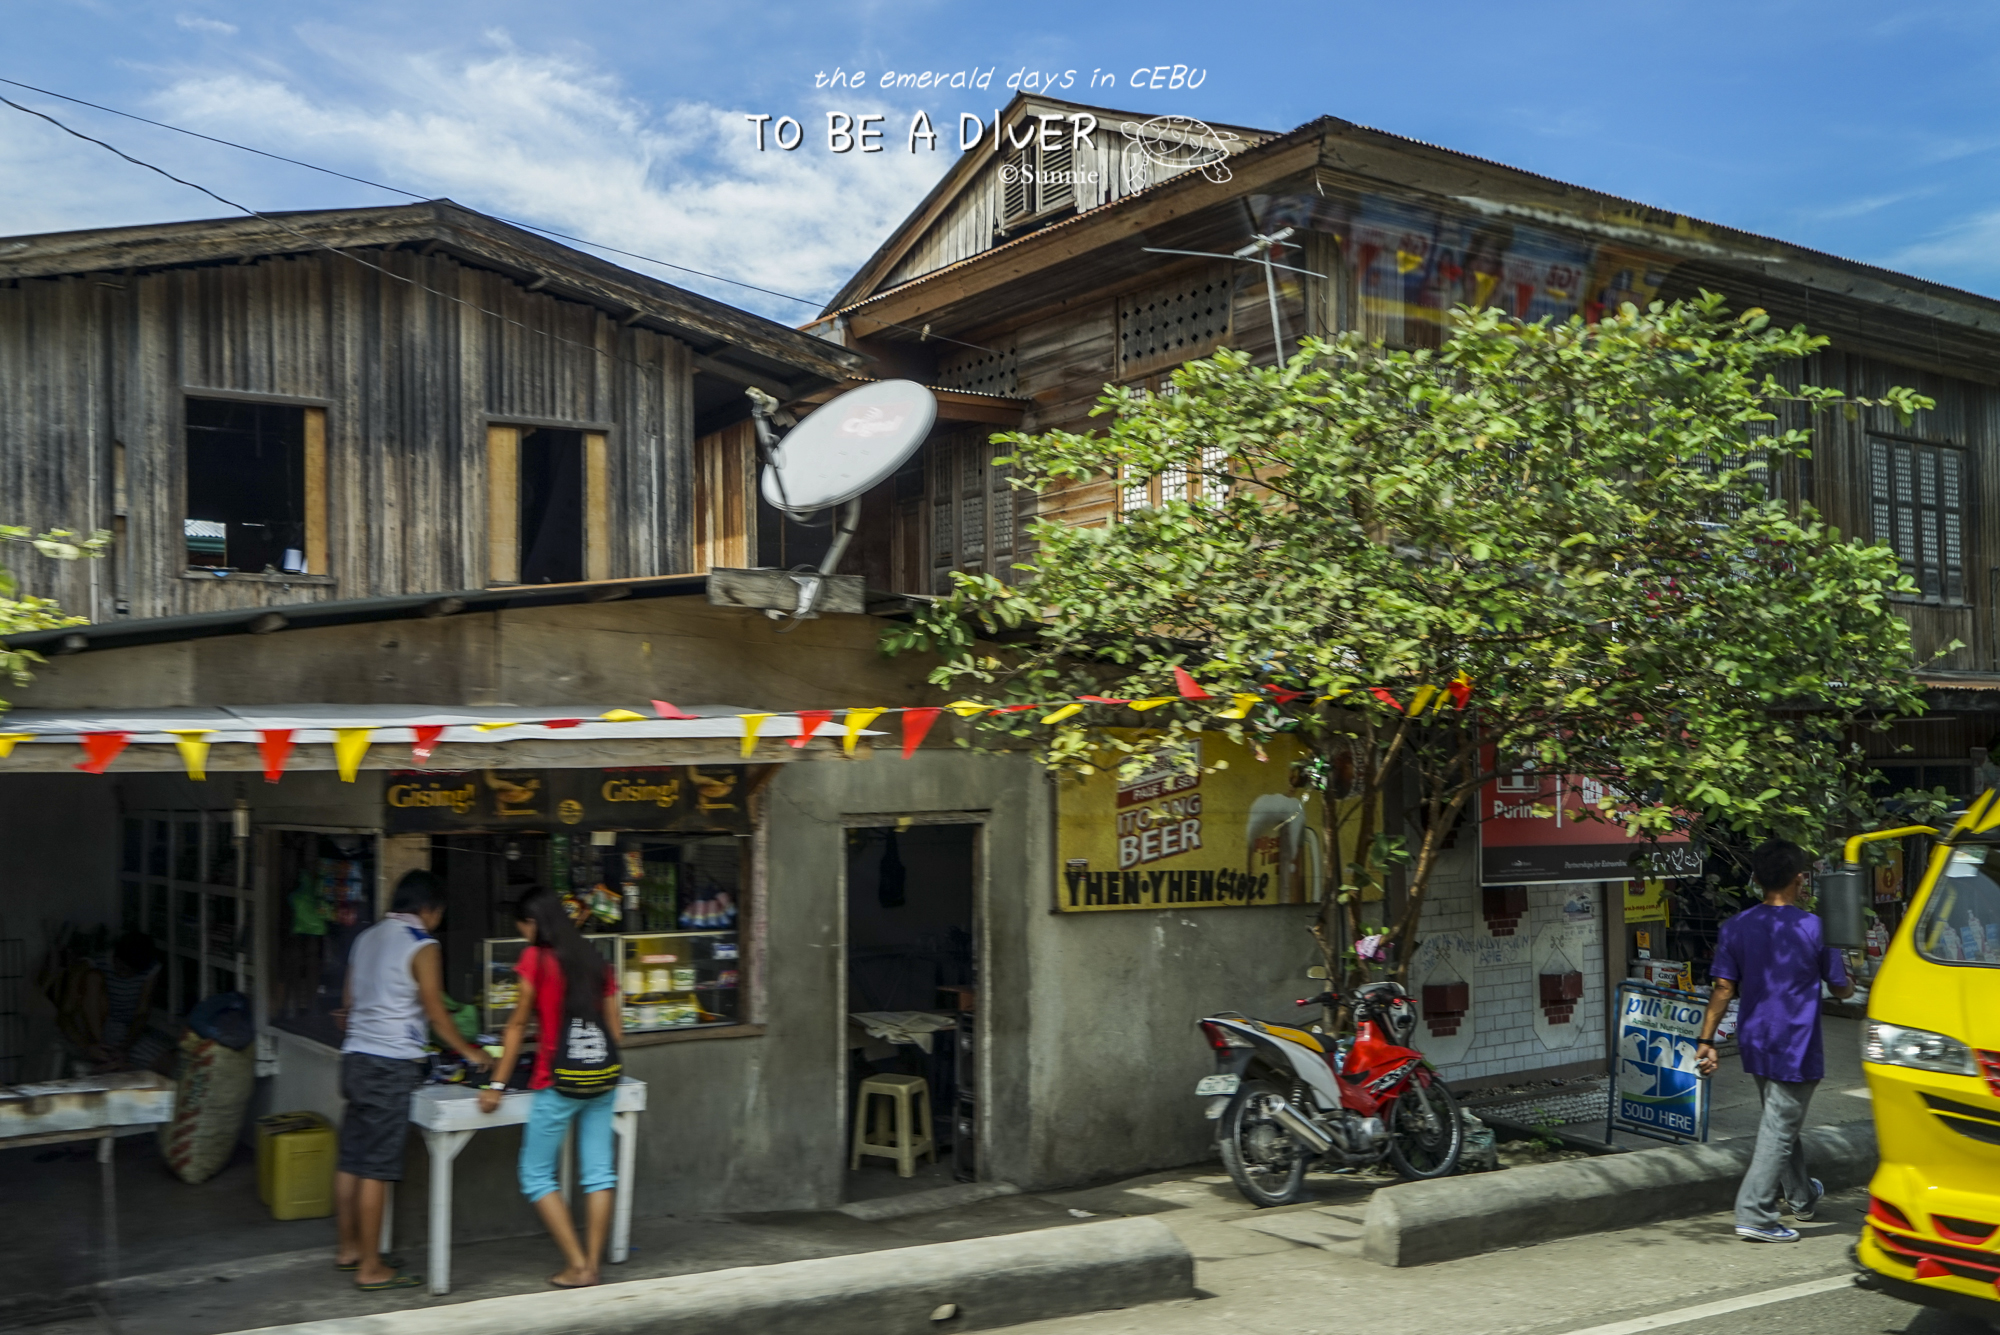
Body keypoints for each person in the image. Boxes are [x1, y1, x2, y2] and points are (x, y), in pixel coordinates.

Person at [334, 870, 489, 1291]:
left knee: (352, 1158)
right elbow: (436, 1013)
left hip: (354, 1058)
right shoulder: (423, 945)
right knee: (377, 1169)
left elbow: (348, 1003)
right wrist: (472, 1051)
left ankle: (349, 1248)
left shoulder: (367, 937)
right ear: (430, 909)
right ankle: (371, 1267)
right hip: (389, 1065)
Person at [1696, 839, 1853, 1243]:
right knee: (1781, 1127)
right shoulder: (1816, 928)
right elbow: (1841, 990)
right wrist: (1851, 977)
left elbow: (1722, 989)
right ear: (1800, 880)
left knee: (1780, 1121)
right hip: (1795, 1043)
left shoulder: (1736, 927)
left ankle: (1801, 1196)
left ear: (1756, 878)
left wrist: (1706, 1040)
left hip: (1756, 1039)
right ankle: (1755, 1213)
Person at [479, 886, 623, 1289]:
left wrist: (496, 1084)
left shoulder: (535, 958)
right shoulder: (597, 959)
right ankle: (592, 1263)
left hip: (557, 1080)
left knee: (536, 1174)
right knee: (598, 1172)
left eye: (523, 927)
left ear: (533, 922)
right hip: (602, 1078)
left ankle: (577, 1265)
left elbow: (517, 1025)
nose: (523, 935)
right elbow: (617, 1032)